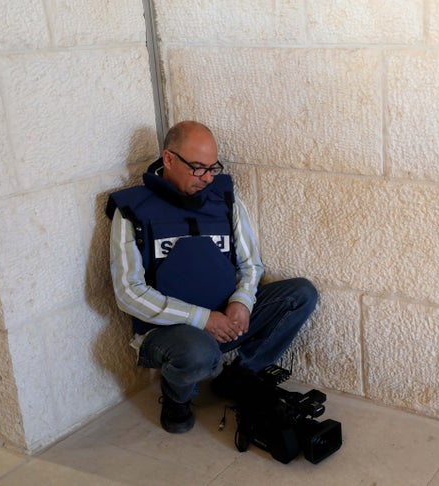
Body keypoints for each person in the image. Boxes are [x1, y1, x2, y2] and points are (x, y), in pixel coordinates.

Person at [106, 121, 318, 433]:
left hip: (224, 316)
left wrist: (242, 303)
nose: (207, 177)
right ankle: (177, 398)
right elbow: (128, 292)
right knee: (197, 352)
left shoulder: (224, 199)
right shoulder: (132, 210)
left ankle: (239, 376)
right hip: (169, 333)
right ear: (168, 159)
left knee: (300, 293)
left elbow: (251, 265)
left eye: (212, 168)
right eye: (197, 168)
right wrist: (203, 319)